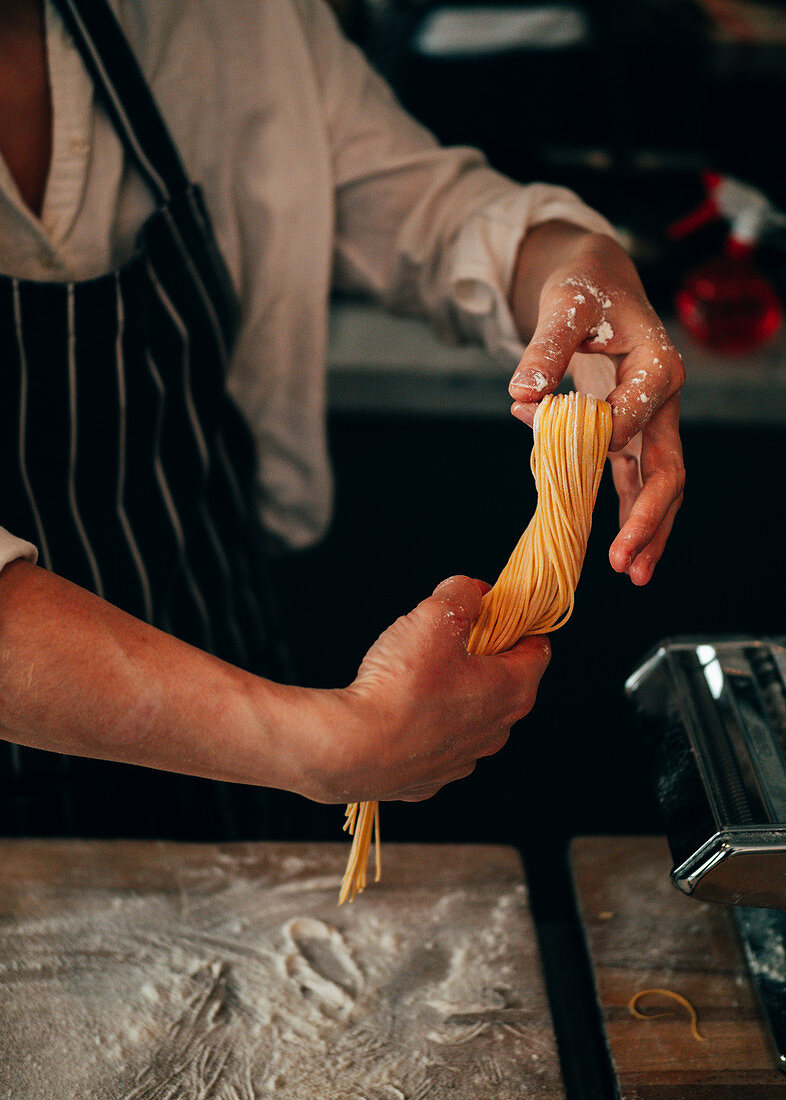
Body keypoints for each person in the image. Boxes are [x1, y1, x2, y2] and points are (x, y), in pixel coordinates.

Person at [0, 0, 684, 835]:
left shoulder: (225, 21)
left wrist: (577, 265)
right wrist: (323, 742)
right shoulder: (315, 741)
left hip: (223, 653)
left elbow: (436, 217)